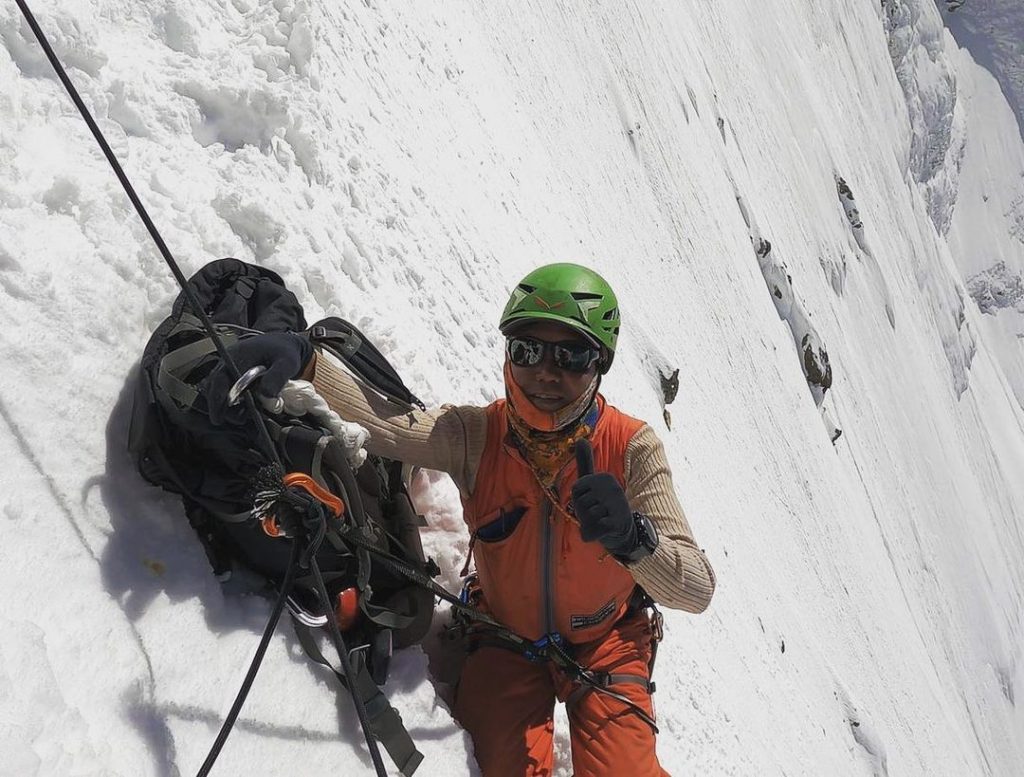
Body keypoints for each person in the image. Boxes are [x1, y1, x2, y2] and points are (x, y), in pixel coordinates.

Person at [208, 263, 716, 776]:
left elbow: (696, 590)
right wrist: (307, 362)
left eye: (572, 355)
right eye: (527, 350)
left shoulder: (632, 448)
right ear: (508, 354)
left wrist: (635, 540)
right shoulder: (477, 435)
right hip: (507, 637)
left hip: (608, 642)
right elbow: (387, 424)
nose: (546, 371)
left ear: (599, 365)